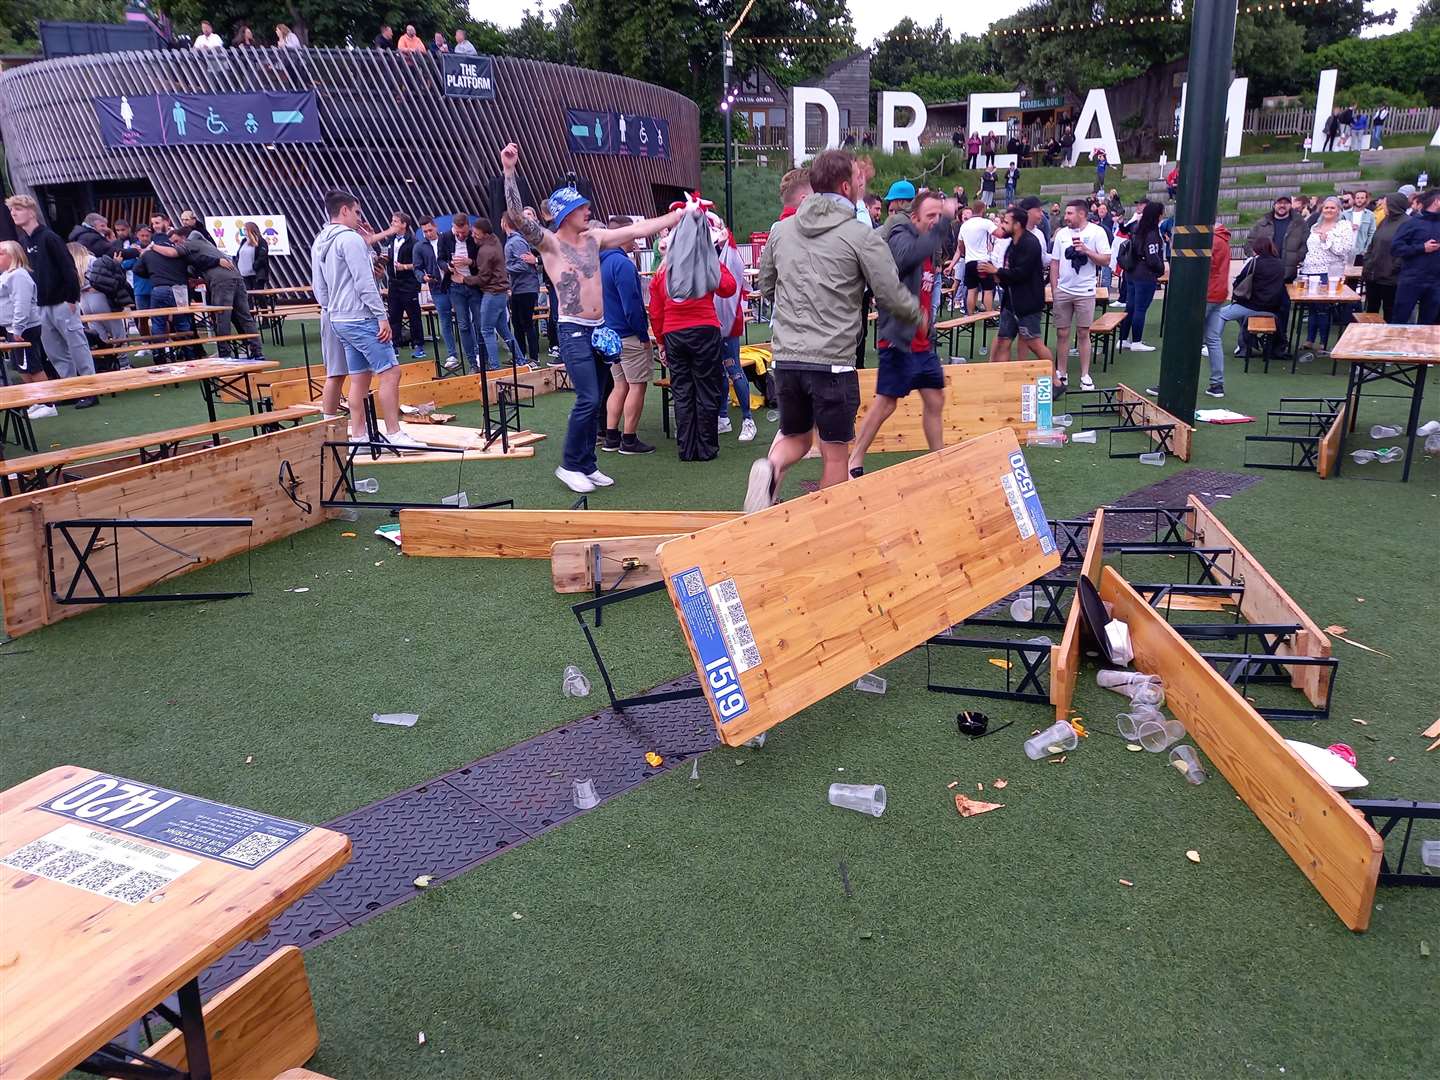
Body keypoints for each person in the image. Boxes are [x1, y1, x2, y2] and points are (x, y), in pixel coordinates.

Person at [745, 149, 921, 511]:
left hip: (788, 360)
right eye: (859, 180)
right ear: (845, 186)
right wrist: (916, 314)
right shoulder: (860, 235)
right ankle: (830, 522)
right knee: (835, 454)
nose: (862, 185)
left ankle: (770, 467)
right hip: (833, 363)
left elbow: (766, 286)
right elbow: (889, 292)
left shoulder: (781, 231)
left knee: (794, 436)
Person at [501, 142, 681, 493]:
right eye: (581, 207)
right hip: (573, 330)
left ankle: (587, 463)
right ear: (566, 214)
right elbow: (517, 217)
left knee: (599, 395)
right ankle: (570, 464)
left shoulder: (595, 238)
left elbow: (634, 232)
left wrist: (676, 216)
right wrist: (509, 172)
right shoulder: (550, 243)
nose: (588, 211)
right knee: (587, 397)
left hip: (600, 330)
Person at [311, 189, 424, 448]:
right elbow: (364, 282)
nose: (359, 219)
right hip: (359, 316)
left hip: (338, 317)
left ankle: (359, 438)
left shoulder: (321, 240)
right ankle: (395, 434)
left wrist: (332, 307)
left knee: (359, 377)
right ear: (345, 211)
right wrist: (381, 316)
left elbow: (320, 285)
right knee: (390, 371)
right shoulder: (350, 240)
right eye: (357, 212)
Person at [848, 190, 946, 478]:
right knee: (887, 402)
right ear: (914, 217)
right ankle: (855, 458)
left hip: (922, 343)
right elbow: (904, 259)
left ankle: (939, 459)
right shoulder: (902, 236)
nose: (936, 221)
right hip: (899, 338)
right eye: (930, 216)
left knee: (935, 399)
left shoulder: (928, 246)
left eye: (939, 216)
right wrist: (942, 226)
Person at [649, 203, 735, 462]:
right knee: (706, 389)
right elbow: (729, 288)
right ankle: (706, 448)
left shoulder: (664, 269)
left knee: (683, 391)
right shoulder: (706, 262)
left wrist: (662, 342)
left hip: (674, 334)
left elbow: (656, 310)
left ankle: (686, 448)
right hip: (705, 330)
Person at [6, 195, 96, 399]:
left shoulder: (49, 237)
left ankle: (90, 390)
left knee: (77, 347)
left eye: (18, 209)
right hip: (41, 306)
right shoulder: (24, 241)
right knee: (56, 352)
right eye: (12, 211)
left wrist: (72, 298)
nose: (14, 214)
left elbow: (68, 268)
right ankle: (70, 391)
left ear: (31, 211)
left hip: (62, 302)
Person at [150, 219, 260, 359]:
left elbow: (172, 253)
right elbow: (202, 261)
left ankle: (224, 355)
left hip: (221, 282)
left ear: (184, 237)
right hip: (237, 277)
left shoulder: (189, 244)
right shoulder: (205, 244)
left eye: (176, 241)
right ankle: (257, 352)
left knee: (222, 318)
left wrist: (152, 246)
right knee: (245, 317)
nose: (175, 244)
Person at [600, 218, 655, 456]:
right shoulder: (622, 265)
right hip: (627, 334)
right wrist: (643, 334)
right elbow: (631, 305)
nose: (636, 239)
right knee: (636, 386)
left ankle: (612, 436)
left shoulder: (600, 262)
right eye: (633, 234)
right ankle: (630, 439)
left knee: (619, 384)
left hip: (609, 334)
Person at [981, 206, 1054, 372]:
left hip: (1027, 304)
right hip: (1010, 302)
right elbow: (1011, 274)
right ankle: (1001, 381)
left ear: (1018, 225)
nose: (1002, 226)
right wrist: (996, 276)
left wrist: (996, 271)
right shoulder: (1012, 244)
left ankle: (1054, 380)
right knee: (1002, 341)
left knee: (1034, 344)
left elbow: (1022, 273)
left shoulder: (1030, 243)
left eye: (1006, 222)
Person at [1049, 199, 1111, 392]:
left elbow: (1106, 260)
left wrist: (1086, 250)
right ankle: (1062, 373)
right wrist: (1054, 289)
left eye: (1069, 213)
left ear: (1081, 214)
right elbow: (1055, 263)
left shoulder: (1096, 232)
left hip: (1085, 291)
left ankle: (1085, 375)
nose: (1065, 217)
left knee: (1084, 333)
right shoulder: (1061, 234)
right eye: (1065, 213)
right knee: (1062, 333)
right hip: (1063, 291)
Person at [0, 241, 58, 418]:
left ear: (13, 255)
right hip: (13, 327)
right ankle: (36, 400)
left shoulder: (18, 275)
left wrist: (17, 328)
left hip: (23, 328)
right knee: (23, 366)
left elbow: (22, 303)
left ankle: (48, 403)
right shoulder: (7, 275)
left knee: (32, 365)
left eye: (1, 253)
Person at [1247, 195, 1310, 358]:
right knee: (1262, 308)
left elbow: (1305, 244)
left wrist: (1297, 258)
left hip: (1287, 275)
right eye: (1279, 203)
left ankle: (1278, 346)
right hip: (1265, 276)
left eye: (1285, 203)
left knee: (1283, 310)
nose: (1282, 206)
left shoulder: (1299, 223)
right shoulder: (1262, 223)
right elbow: (1249, 242)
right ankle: (1255, 342)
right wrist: (1256, 259)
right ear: (1274, 205)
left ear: (1290, 205)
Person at [459, 217, 522, 370]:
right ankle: (521, 360)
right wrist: (472, 263)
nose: (473, 236)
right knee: (503, 330)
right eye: (473, 233)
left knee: (486, 330)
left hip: (492, 293)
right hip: (501, 293)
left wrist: (464, 279)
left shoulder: (485, 251)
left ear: (486, 234)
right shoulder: (495, 241)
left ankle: (495, 367)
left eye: (476, 234)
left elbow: (483, 278)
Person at [1296, 197, 1355, 357]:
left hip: (1328, 272)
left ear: (1338, 210)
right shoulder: (1316, 225)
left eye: (1332, 208)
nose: (1328, 210)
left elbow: (1345, 250)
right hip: (1310, 270)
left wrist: (1326, 239)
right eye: (1326, 208)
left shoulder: (1344, 227)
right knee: (1312, 307)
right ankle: (1309, 340)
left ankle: (1323, 343)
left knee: (1323, 308)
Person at [714, 225, 755, 443]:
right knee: (719, 372)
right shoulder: (708, 253)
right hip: (710, 324)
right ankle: (722, 417)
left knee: (733, 369)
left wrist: (723, 236)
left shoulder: (732, 256)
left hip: (728, 323)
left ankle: (748, 419)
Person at [135, 228, 197, 362]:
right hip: (179, 289)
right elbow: (190, 270)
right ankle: (189, 355)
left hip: (159, 289)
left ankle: (159, 356)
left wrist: (152, 274)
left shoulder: (148, 254)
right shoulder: (177, 252)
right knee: (182, 322)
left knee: (158, 323)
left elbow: (137, 270)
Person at [1116, 200, 1166, 352]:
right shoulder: (1151, 233)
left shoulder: (1137, 228)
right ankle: (1136, 341)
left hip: (1132, 272)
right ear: (1157, 215)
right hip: (1144, 274)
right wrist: (1160, 269)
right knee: (1140, 308)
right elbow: (1152, 258)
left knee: (1130, 307)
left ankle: (1123, 339)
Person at [1390, 188, 1440, 325]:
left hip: (1436, 283)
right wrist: (1422, 248)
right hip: (1412, 280)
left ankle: (1424, 347)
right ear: (1437, 202)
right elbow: (1396, 249)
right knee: (1400, 320)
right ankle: (1395, 346)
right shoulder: (1412, 224)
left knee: (1430, 324)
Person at [380, 212, 426, 360]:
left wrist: (404, 267)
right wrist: (381, 260)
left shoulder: (413, 242)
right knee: (394, 316)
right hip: (393, 284)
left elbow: (419, 264)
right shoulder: (389, 240)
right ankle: (394, 346)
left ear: (404, 224)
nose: (392, 223)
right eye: (392, 220)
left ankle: (419, 346)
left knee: (414, 316)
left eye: (395, 221)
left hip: (409, 284)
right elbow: (384, 256)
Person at [1361, 194, 1410, 321]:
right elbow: (1373, 243)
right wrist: (1367, 262)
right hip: (1374, 274)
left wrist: (1395, 266)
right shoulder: (1385, 221)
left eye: (1386, 203)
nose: (1383, 206)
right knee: (1371, 311)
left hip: (1391, 277)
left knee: (1390, 310)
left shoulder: (1408, 223)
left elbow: (1407, 249)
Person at [502, 211, 540, 365]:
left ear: (505, 223)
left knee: (526, 324)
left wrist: (506, 268)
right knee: (517, 323)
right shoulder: (512, 240)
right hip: (518, 288)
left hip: (526, 288)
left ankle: (534, 358)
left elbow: (524, 264)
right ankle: (521, 356)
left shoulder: (516, 241)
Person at [959, 205, 997, 317]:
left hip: (970, 260)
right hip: (983, 260)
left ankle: (970, 316)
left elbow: (960, 244)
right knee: (988, 290)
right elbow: (998, 233)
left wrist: (965, 253)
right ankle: (989, 315)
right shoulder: (985, 222)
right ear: (983, 210)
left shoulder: (964, 225)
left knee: (971, 290)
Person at [235, 221, 269, 292]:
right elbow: (239, 254)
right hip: (244, 274)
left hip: (256, 274)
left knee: (258, 295)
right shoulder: (244, 241)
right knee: (247, 295)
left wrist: (254, 266)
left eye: (245, 229)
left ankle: (262, 303)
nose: (244, 231)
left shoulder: (261, 241)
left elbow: (262, 256)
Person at [1350, 189, 1376, 260]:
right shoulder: (1345, 214)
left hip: (1360, 252)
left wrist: (1366, 249)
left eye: (1362, 198)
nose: (1359, 200)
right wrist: (1348, 227)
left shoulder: (1370, 215)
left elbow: (1372, 233)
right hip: (1346, 251)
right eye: (1357, 198)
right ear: (1354, 199)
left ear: (1366, 199)